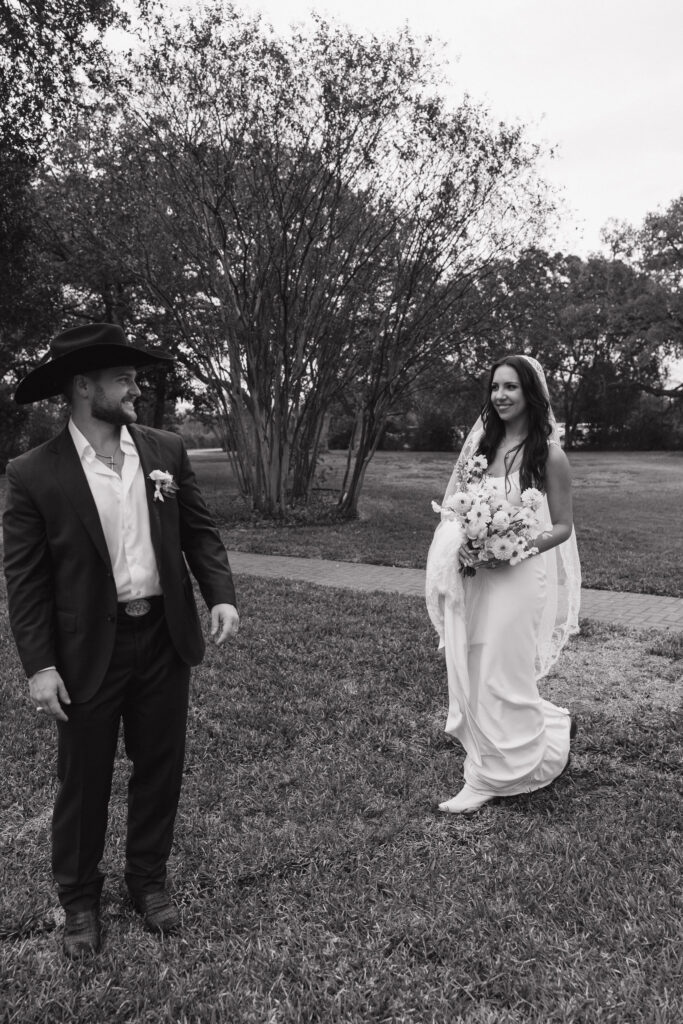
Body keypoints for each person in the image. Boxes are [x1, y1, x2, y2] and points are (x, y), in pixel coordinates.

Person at [3, 323, 239, 957]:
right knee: (84, 780)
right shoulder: (34, 474)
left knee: (160, 768)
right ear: (84, 387)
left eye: (136, 377)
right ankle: (78, 901)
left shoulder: (165, 450)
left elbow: (200, 532)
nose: (137, 387)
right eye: (123, 378)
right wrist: (39, 665)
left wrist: (219, 593)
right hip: (85, 653)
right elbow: (24, 580)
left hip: (164, 637)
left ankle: (148, 882)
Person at [425, 354, 581, 814]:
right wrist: (468, 542)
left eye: (511, 387)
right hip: (477, 575)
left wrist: (509, 549)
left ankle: (494, 775)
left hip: (519, 576)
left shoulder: (548, 455)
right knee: (474, 661)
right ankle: (510, 740)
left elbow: (563, 527)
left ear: (530, 393)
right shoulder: (481, 449)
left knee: (502, 667)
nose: (500, 396)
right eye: (495, 388)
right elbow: (456, 508)